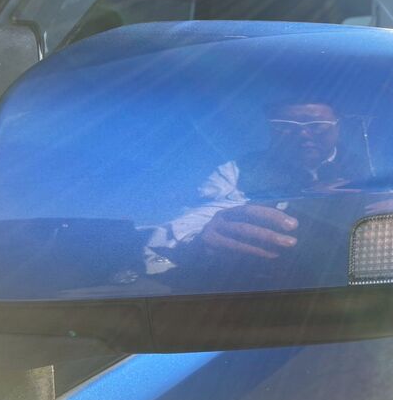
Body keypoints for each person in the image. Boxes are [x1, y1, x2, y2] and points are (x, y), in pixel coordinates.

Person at [144, 101, 370, 275]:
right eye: (285, 126)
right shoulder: (236, 171)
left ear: (338, 126)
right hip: (259, 282)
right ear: (271, 129)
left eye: (316, 125)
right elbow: (187, 223)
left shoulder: (372, 168)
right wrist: (201, 237)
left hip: (354, 277)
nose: (303, 134)